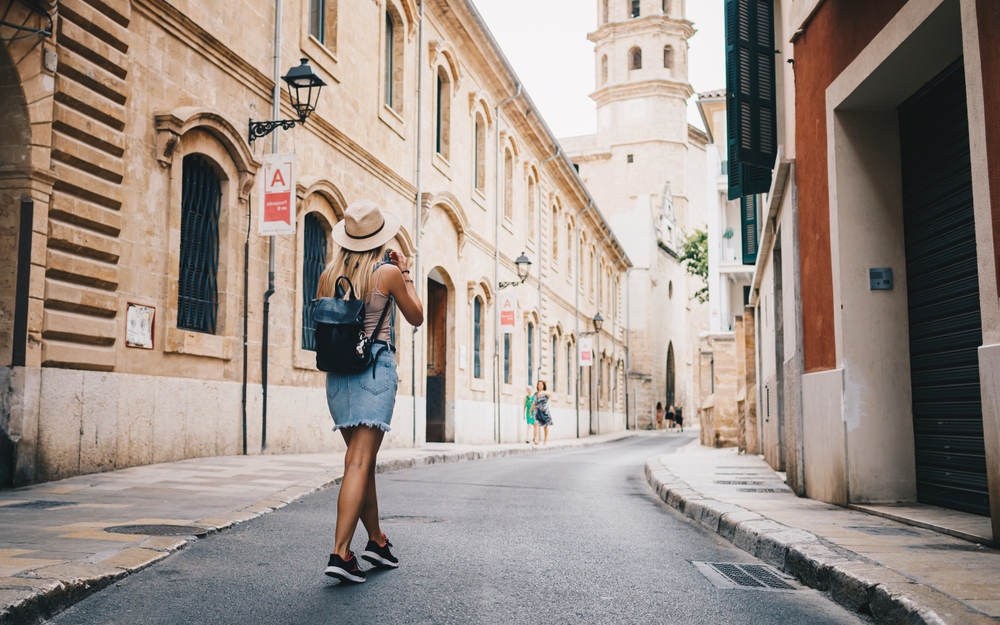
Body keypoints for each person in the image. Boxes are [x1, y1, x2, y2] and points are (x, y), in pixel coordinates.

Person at [319, 200, 424, 584]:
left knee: (360, 463)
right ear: (378, 238)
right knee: (359, 463)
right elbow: (416, 316)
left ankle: (376, 542)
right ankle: (341, 553)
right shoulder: (388, 273)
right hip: (373, 371)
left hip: (338, 376)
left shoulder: (328, 274)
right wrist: (407, 272)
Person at [533, 380, 553, 444]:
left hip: (544, 412)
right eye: (539, 384)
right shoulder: (535, 394)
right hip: (537, 411)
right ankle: (536, 439)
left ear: (543, 386)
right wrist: (531, 410)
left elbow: (549, 394)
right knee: (536, 424)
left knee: (545, 426)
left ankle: (545, 439)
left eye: (541, 384)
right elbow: (534, 403)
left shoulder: (546, 392)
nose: (540, 386)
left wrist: (543, 392)